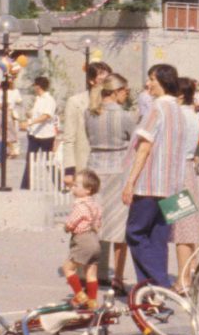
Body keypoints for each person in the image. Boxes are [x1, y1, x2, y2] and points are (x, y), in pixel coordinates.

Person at [121, 64, 199, 290]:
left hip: (149, 183)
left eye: (152, 80)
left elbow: (144, 147)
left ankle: (158, 283)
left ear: (163, 82)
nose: (148, 84)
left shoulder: (157, 108)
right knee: (159, 237)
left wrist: (130, 182)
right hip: (174, 183)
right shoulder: (180, 111)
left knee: (135, 232)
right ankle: (155, 291)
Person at [85, 75, 137, 286]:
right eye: (125, 91)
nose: (127, 95)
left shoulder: (89, 113)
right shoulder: (126, 116)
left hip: (95, 166)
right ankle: (117, 277)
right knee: (119, 226)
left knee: (94, 223)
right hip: (118, 168)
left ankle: (92, 272)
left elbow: (89, 136)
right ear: (116, 92)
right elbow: (132, 140)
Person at [61, 168, 105, 312]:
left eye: (76, 185)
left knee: (68, 268)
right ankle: (92, 301)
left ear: (88, 190)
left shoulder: (79, 206)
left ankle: (79, 295)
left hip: (82, 240)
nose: (73, 187)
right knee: (91, 273)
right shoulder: (96, 205)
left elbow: (71, 224)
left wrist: (66, 227)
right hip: (95, 240)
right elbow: (98, 223)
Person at [25, 76, 58, 187]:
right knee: (29, 161)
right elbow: (37, 114)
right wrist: (30, 115)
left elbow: (46, 116)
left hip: (46, 135)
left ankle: (59, 185)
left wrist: (30, 122)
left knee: (48, 162)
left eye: (34, 85)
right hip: (34, 134)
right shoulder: (38, 99)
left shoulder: (49, 100)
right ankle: (25, 186)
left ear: (38, 86)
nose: (34, 88)